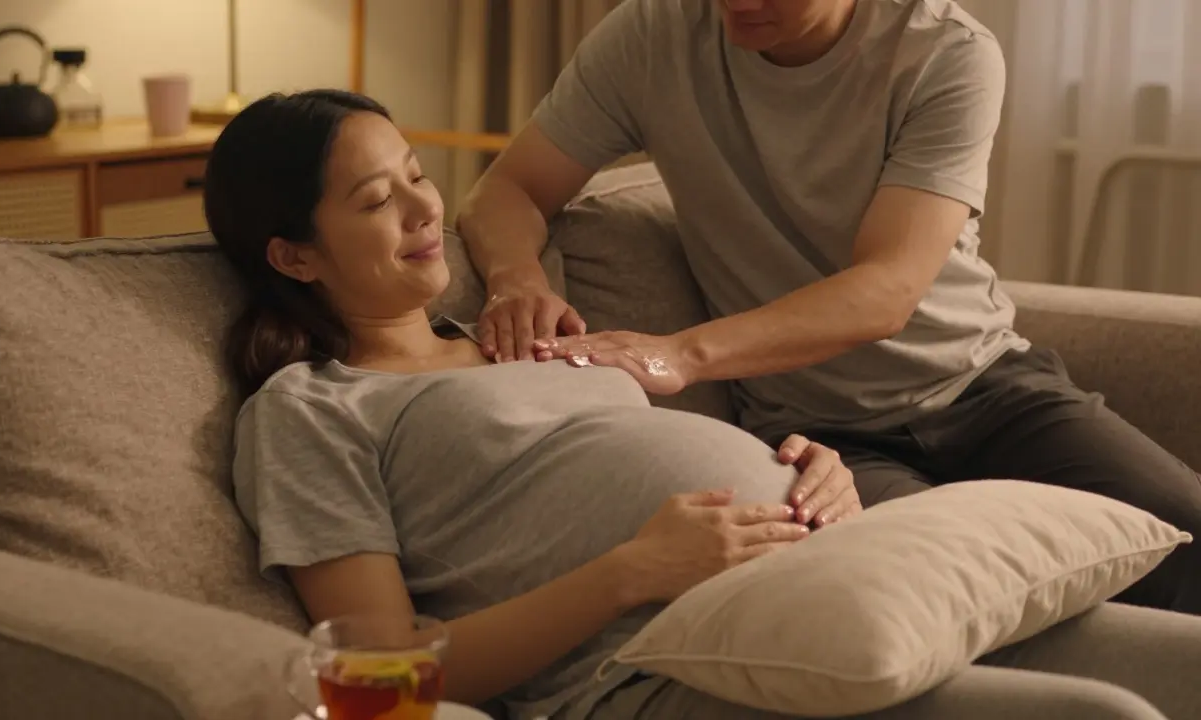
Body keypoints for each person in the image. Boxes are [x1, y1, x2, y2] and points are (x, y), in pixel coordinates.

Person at [203, 89, 1201, 720]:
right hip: (658, 669)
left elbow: (678, 467)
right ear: (292, 254)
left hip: (840, 580)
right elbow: (380, 678)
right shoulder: (309, 410)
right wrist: (629, 572)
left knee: (1183, 665)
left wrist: (813, 471)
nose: (426, 211)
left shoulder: (518, 337)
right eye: (376, 202)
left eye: (417, 177)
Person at [454, 0, 1201, 616]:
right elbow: (508, 189)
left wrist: (681, 353)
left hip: (985, 386)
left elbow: (886, 290)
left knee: (1183, 534)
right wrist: (517, 277)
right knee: (934, 595)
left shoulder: (944, 51)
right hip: (818, 437)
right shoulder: (652, 34)